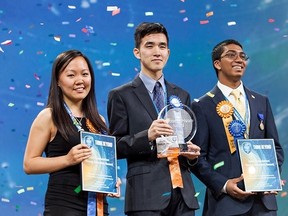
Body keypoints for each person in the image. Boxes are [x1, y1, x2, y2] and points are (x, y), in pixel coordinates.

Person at [107, 22, 200, 216]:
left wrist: (191, 155)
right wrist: (146, 136)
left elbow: (186, 141)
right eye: (149, 45)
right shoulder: (121, 95)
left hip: (183, 195)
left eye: (162, 46)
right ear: (137, 52)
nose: (157, 51)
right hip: (145, 196)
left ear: (168, 53)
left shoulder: (181, 95)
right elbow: (115, 146)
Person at [191, 39, 285, 216]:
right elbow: (197, 159)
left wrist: (270, 177)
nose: (239, 60)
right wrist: (224, 185)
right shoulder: (202, 106)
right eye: (231, 55)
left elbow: (276, 148)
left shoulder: (262, 102)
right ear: (217, 64)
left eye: (242, 56)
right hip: (225, 204)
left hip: (263, 204)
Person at [23, 50, 120, 216]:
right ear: (58, 81)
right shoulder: (49, 116)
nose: (80, 81)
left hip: (98, 207)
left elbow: (101, 163)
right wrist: (67, 159)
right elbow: (29, 164)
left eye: (84, 74)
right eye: (71, 75)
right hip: (64, 206)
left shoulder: (99, 120)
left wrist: (110, 180)